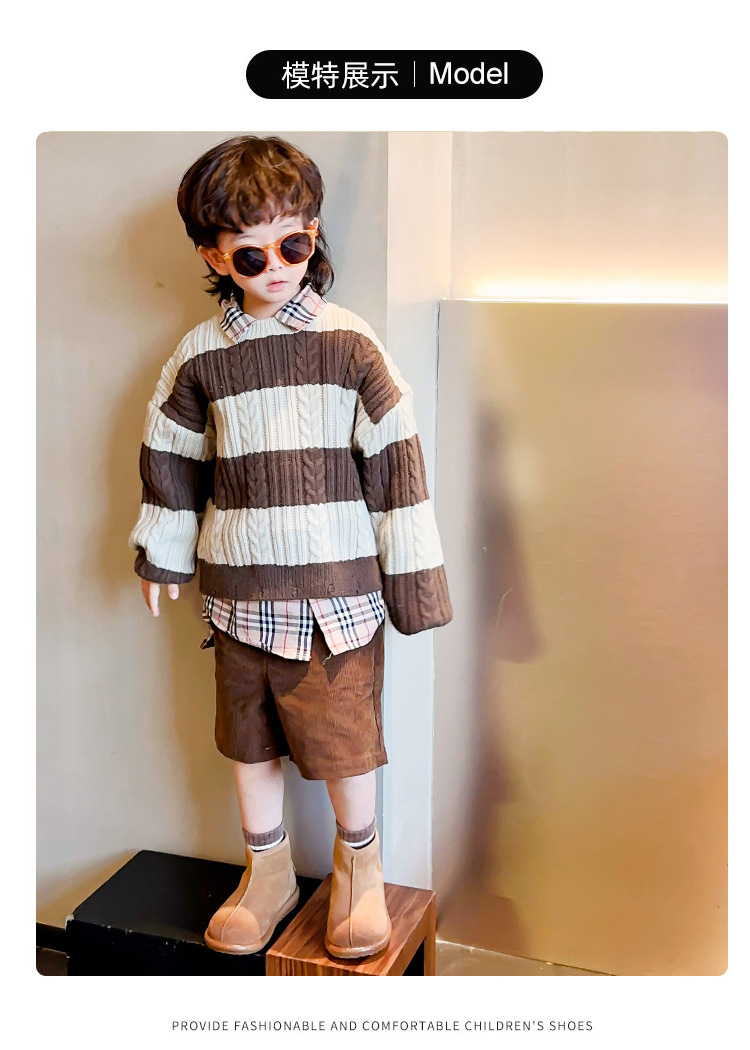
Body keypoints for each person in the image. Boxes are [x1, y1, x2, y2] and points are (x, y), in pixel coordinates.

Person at [128, 135, 453, 959]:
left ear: (312, 234)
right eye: (250, 253)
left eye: (292, 246)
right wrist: (162, 551)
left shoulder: (350, 344)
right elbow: (170, 457)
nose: (274, 267)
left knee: (345, 743)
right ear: (214, 256)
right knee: (248, 740)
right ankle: (267, 872)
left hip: (337, 600)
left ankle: (360, 870)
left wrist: (415, 584)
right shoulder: (201, 357)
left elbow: (398, 464)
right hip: (238, 595)